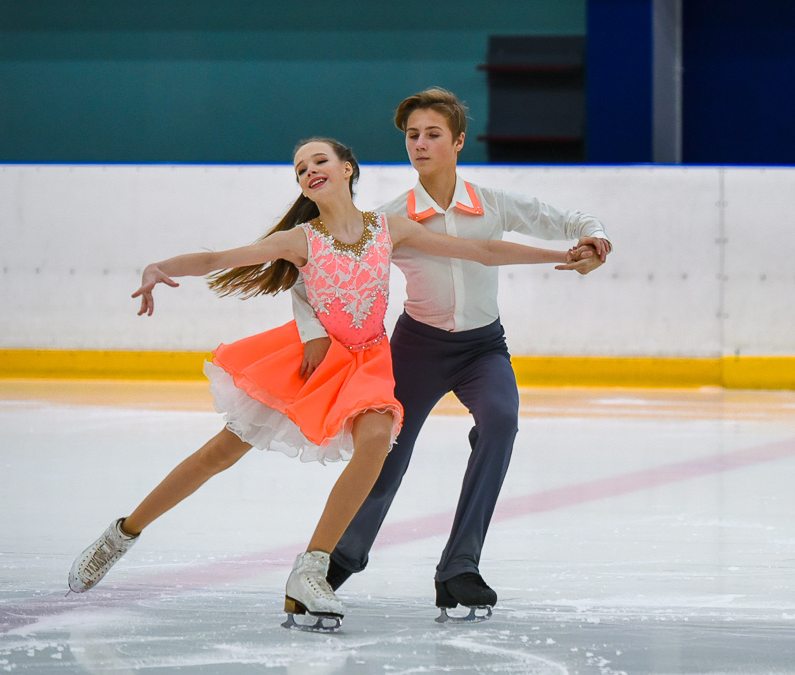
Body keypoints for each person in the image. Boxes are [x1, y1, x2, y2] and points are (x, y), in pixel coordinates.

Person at [67, 137, 597, 631]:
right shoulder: (299, 239)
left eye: (319, 161)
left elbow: (480, 251)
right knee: (220, 454)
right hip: (310, 362)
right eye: (300, 168)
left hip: (367, 362)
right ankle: (122, 534)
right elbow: (219, 259)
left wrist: (560, 257)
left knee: (376, 441)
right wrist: (160, 265)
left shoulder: (389, 228)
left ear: (347, 170)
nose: (309, 170)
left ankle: (312, 568)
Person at [292, 89, 612, 620]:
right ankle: (343, 555)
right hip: (417, 346)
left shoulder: (492, 204)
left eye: (432, 134)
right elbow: (312, 279)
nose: (419, 143)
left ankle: (459, 567)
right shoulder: (389, 220)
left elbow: (568, 219)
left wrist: (593, 238)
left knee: (501, 422)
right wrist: (311, 331)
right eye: (412, 135)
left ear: (458, 141)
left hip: (483, 347)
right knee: (387, 451)